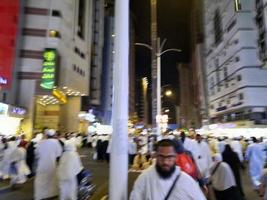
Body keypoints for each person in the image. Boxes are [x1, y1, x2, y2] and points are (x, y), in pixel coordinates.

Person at [130, 139, 206, 200]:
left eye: (169, 157)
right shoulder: (144, 179)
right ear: (156, 156)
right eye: (161, 157)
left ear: (176, 157)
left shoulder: (186, 181)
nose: (165, 162)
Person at [34, 129, 63, 200]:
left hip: (41, 164)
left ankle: (40, 196)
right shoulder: (56, 142)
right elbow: (59, 153)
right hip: (51, 164)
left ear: (46, 135)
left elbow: (36, 153)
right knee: (51, 180)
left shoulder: (41, 142)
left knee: (41, 180)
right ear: (53, 135)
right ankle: (51, 194)